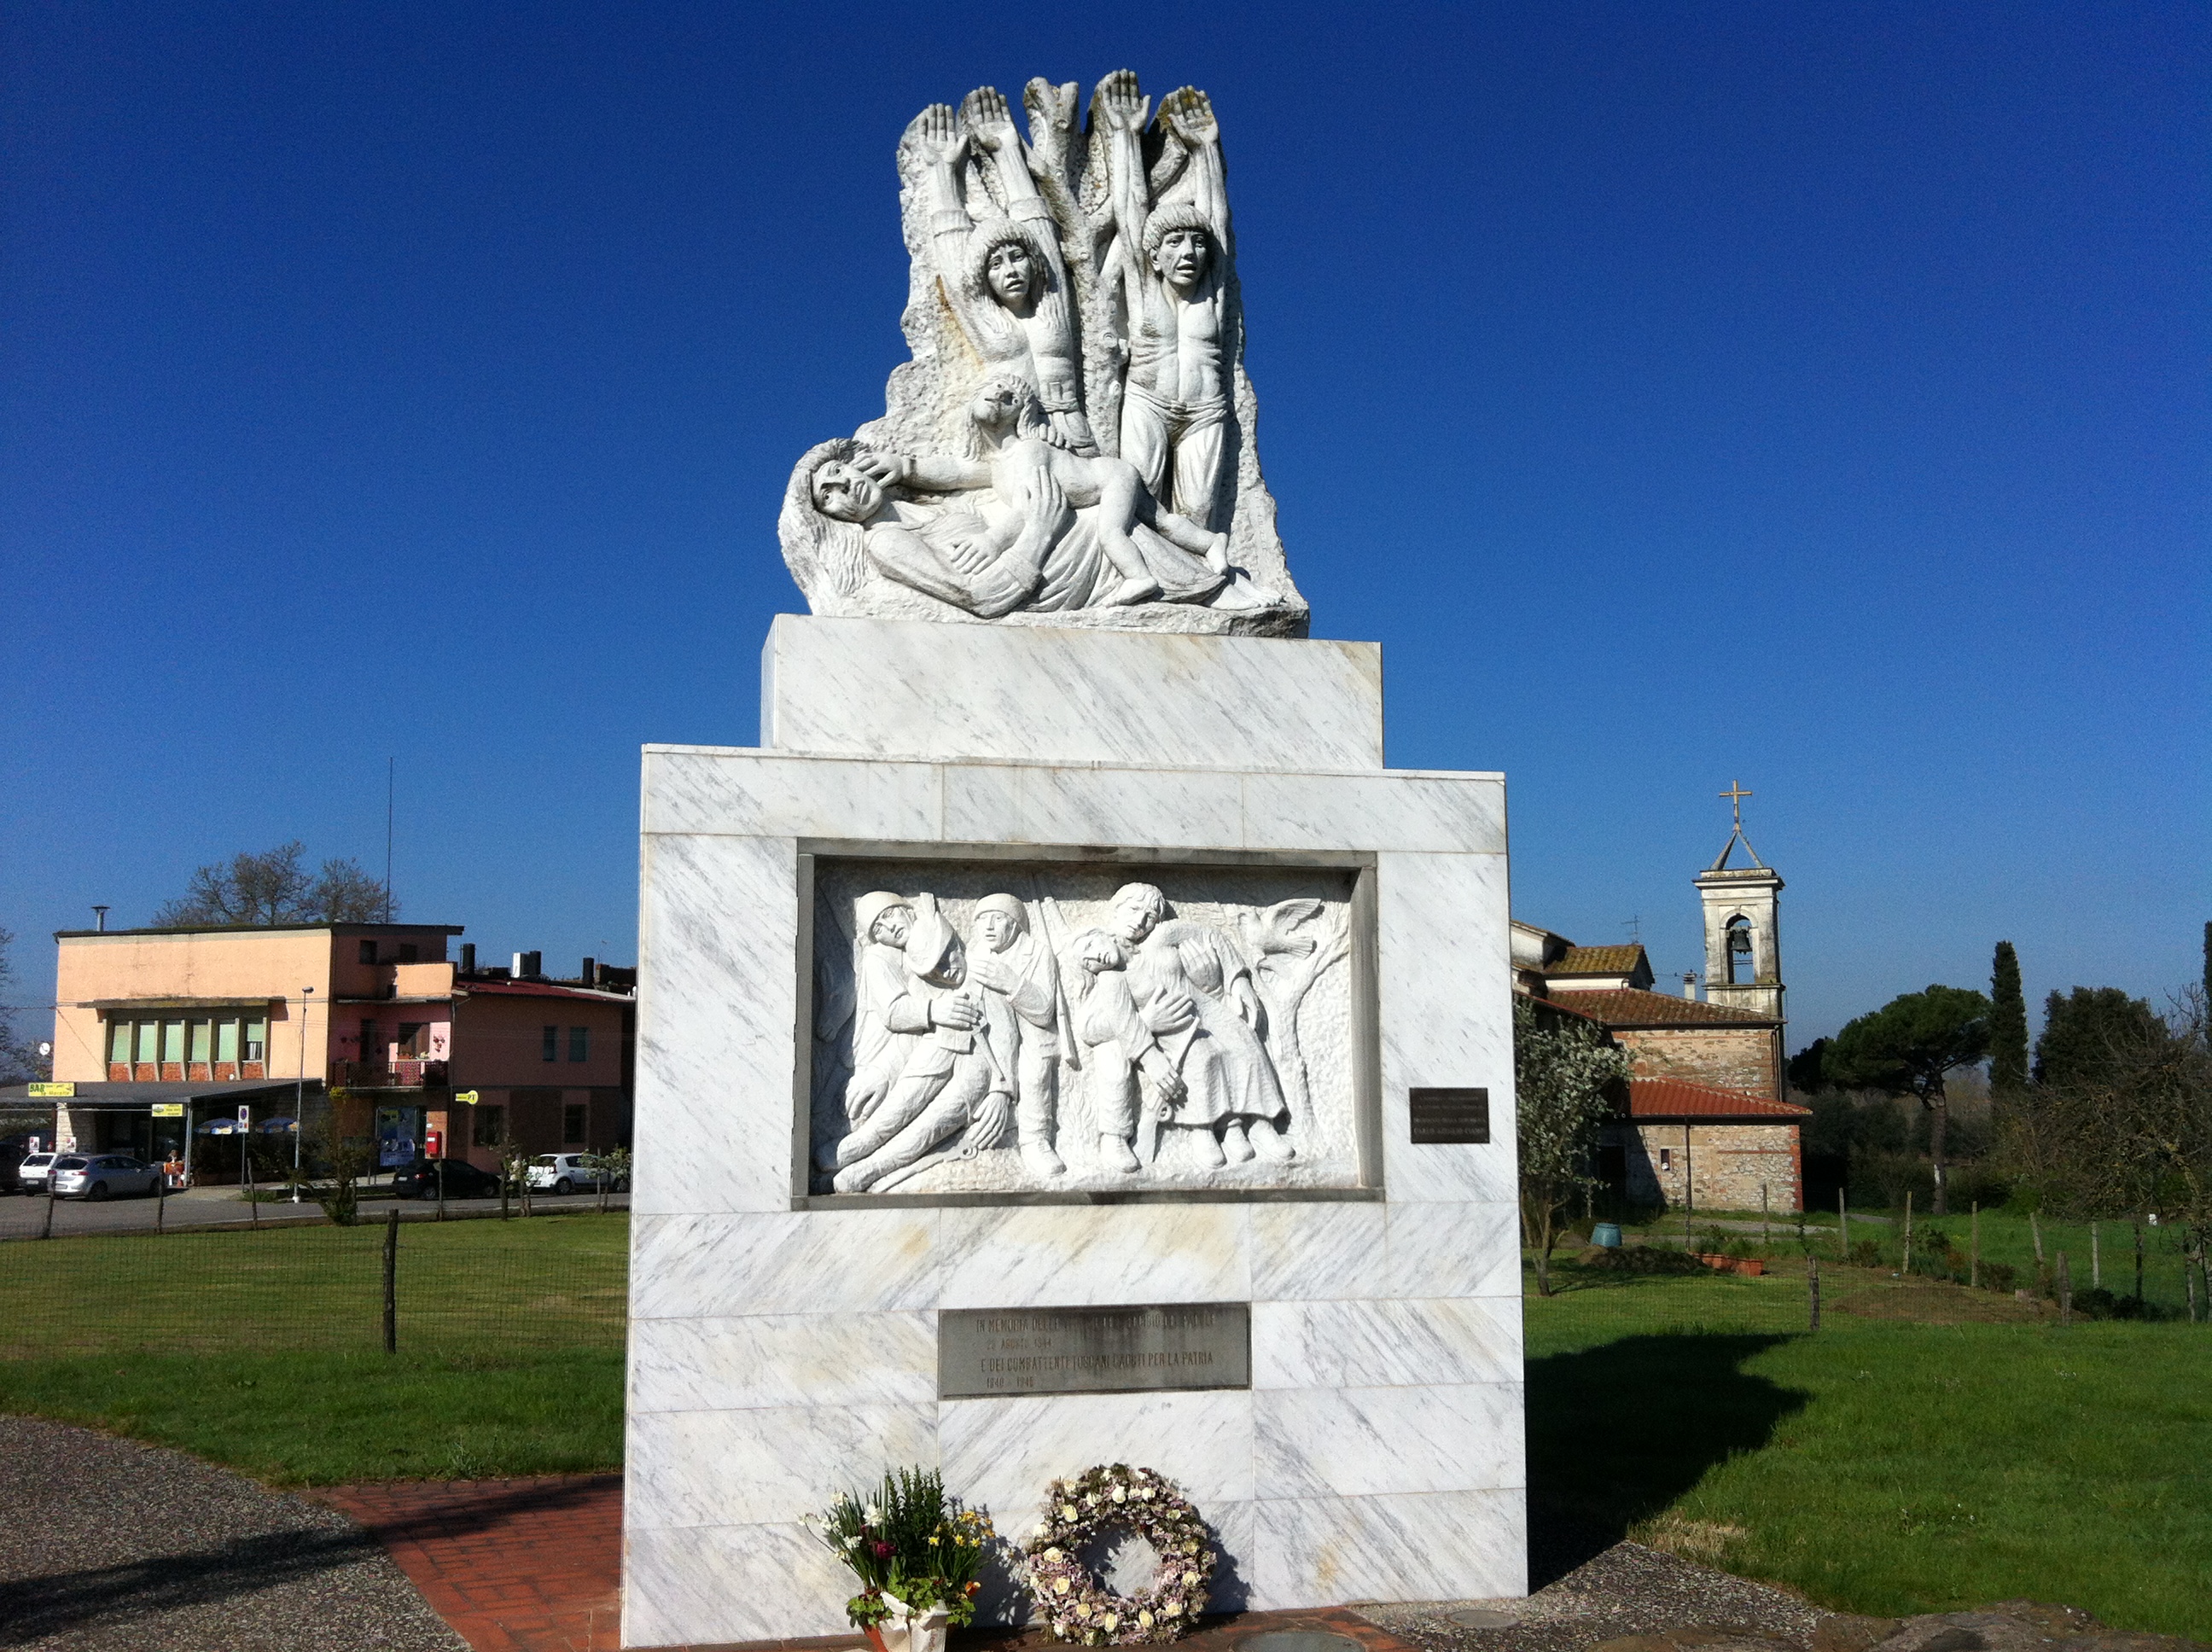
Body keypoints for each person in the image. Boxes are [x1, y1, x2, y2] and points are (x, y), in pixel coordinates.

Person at [914, 89, 1098, 456]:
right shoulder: (985, 317)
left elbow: (1039, 231)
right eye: (995, 265)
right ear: (984, 277)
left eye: (1017, 257)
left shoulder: (1051, 301)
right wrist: (942, 171)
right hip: (1013, 438)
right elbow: (955, 263)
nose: (1010, 270)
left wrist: (1008, 150)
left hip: (1074, 430)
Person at [1097, 73, 1233, 526]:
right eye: (1175, 242)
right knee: (1140, 501)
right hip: (1147, 402)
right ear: (1154, 256)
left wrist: (1207, 149)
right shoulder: (1142, 285)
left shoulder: (1212, 290)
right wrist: (1124, 135)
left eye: (1196, 243)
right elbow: (1130, 209)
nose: (1189, 252)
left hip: (1205, 411)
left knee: (1198, 512)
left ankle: (1195, 591)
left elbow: (1216, 215)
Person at [1107, 882, 1294, 1166]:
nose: (1140, 921)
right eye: (1134, 910)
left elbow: (1211, 935)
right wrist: (1148, 1026)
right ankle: (1204, 1130)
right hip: (1171, 1021)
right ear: (1116, 908)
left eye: (1149, 916)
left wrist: (1237, 979)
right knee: (1203, 1057)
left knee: (1247, 1045)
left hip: (1203, 1003)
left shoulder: (1162, 936)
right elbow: (1100, 1021)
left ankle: (1259, 1123)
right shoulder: (1105, 957)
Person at [833, 899, 1010, 1194]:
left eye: (890, 915)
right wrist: (882, 1070)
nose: (945, 972)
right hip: (937, 1047)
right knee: (898, 1106)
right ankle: (856, 1146)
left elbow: (1006, 1036)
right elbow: (904, 1030)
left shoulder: (983, 972)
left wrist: (1002, 1090)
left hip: (979, 1065)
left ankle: (869, 1170)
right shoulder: (894, 964)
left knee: (931, 1124)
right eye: (934, 971)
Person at [967, 893, 1066, 1178]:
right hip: (991, 1033)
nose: (988, 926)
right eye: (982, 919)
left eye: (997, 918)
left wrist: (1009, 982)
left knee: (1034, 1071)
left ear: (1014, 924)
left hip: (1032, 1030)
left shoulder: (1037, 952)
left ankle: (1035, 1141)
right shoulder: (978, 954)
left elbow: (1044, 1009)